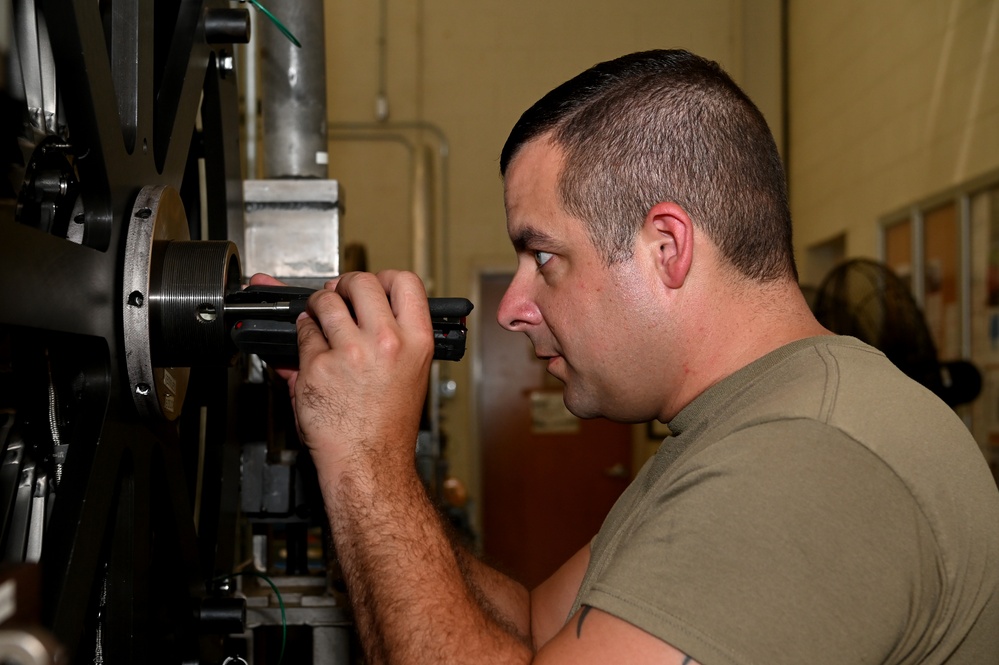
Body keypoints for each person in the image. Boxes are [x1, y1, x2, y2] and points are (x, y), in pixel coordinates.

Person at [253, 49, 999, 664]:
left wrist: (367, 464)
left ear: (665, 248)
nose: (513, 306)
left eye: (541, 255)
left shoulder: (805, 458)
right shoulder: (739, 427)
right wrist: (351, 437)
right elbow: (536, 623)